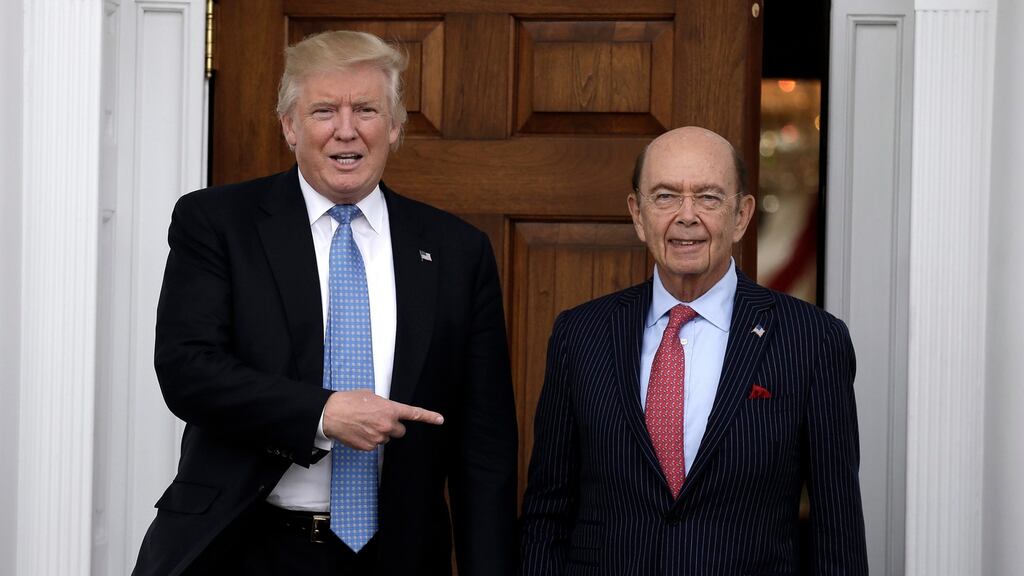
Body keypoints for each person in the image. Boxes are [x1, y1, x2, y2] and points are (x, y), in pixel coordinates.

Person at [133, 30, 517, 576]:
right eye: (323, 111)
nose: (346, 129)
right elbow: (187, 369)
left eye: (366, 109)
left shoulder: (457, 250)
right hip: (249, 548)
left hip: (400, 554)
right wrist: (321, 413)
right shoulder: (218, 224)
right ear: (290, 127)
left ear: (396, 126)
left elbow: (485, 445)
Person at [520, 126, 868, 574]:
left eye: (708, 197)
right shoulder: (580, 335)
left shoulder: (812, 341)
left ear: (741, 215)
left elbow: (836, 529)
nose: (687, 216)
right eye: (665, 197)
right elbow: (548, 514)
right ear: (637, 214)